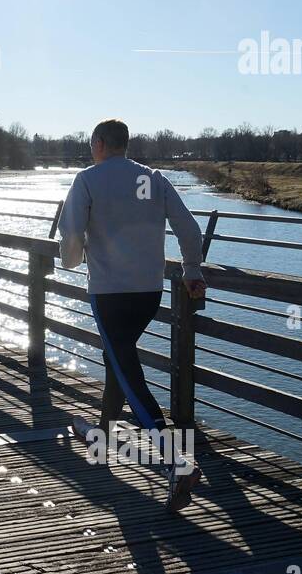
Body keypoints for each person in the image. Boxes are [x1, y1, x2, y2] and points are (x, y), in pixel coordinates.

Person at [58, 118, 208, 512]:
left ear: (102, 143)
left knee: (126, 368)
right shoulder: (154, 179)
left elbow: (71, 240)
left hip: (108, 294)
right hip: (149, 293)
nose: (91, 149)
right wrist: (191, 270)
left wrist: (73, 259)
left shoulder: (87, 179)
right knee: (118, 362)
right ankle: (103, 435)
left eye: (92, 143)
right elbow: (189, 229)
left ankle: (176, 460)